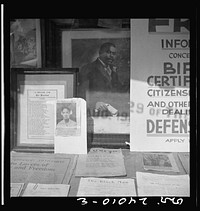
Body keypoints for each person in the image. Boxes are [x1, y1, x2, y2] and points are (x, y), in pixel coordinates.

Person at [78, 42, 129, 116]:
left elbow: (117, 90)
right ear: (100, 53)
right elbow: (82, 93)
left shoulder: (113, 69)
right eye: (108, 52)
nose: (111, 56)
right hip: (95, 114)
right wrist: (95, 103)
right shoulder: (88, 69)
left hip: (113, 113)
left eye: (113, 54)